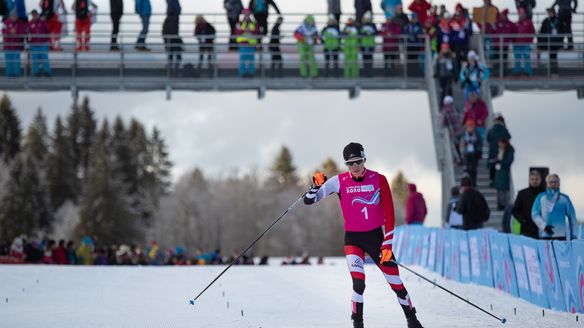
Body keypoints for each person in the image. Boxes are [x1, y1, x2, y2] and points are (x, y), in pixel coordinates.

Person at [303, 142, 424, 328]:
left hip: (376, 239)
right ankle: (357, 323)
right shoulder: (338, 181)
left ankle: (412, 320)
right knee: (358, 284)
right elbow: (309, 201)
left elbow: (390, 216)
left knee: (395, 282)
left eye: (358, 162)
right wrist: (314, 187)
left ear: (364, 159)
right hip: (353, 239)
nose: (355, 167)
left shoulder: (379, 179)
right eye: (350, 164)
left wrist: (387, 246)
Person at [531, 174, 578, 240]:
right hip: (544, 235)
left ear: (559, 183)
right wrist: (544, 226)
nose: (553, 184)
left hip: (560, 236)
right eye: (551, 182)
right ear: (547, 184)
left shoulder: (565, 198)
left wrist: (574, 235)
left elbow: (572, 217)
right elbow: (534, 214)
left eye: (555, 182)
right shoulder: (541, 197)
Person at [512, 170, 546, 239]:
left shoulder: (545, 194)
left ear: (540, 180)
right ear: (529, 180)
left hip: (542, 230)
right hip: (526, 230)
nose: (534, 181)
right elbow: (515, 210)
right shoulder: (522, 193)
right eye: (532, 179)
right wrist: (523, 220)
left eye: (536, 179)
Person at [486, 114, 511, 184]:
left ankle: (492, 179)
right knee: (500, 166)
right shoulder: (504, 130)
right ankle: (498, 180)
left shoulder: (491, 130)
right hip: (501, 152)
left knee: (492, 166)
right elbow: (509, 137)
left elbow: (488, 139)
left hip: (492, 152)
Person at [537, 7, 563, 75]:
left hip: (555, 43)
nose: (549, 13)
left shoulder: (558, 21)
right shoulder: (545, 21)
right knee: (549, 57)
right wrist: (539, 44)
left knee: (554, 58)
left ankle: (554, 72)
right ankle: (550, 73)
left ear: (554, 12)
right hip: (547, 43)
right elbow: (541, 32)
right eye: (548, 12)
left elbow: (561, 33)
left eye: (550, 12)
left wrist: (560, 43)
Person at [235, 8, 260, 78]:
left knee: (251, 60)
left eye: (248, 14)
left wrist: (247, 31)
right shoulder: (239, 23)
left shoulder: (254, 23)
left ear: (250, 15)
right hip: (243, 44)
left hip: (251, 44)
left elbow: (257, 32)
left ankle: (251, 74)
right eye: (245, 14)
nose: (246, 15)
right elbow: (237, 32)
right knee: (242, 60)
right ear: (243, 15)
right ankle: (242, 74)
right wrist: (245, 30)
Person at [27, 10, 51, 77]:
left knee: (44, 57)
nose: (34, 16)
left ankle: (47, 72)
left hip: (43, 43)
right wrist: (28, 42)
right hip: (34, 44)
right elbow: (26, 33)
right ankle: (36, 72)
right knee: (35, 58)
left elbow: (48, 31)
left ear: (37, 15)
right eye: (33, 15)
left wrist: (48, 41)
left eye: (35, 14)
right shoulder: (29, 24)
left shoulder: (43, 23)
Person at [440, 95, 463, 164]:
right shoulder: (456, 109)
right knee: (458, 146)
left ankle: (458, 159)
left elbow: (442, 123)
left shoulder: (444, 112)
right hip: (459, 130)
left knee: (454, 147)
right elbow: (461, 118)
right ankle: (460, 158)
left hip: (452, 132)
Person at [162, 0, 183, 77]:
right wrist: (181, 42)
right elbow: (174, 33)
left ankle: (171, 73)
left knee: (171, 57)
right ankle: (173, 73)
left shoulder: (169, 21)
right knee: (177, 57)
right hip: (173, 42)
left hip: (170, 41)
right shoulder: (173, 20)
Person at [512, 7, 535, 76]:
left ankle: (528, 72)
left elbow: (532, 32)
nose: (521, 14)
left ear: (525, 14)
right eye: (519, 12)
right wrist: (514, 41)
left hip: (526, 44)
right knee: (517, 58)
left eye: (522, 12)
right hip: (517, 44)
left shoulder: (529, 22)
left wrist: (529, 41)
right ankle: (517, 72)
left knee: (527, 57)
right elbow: (513, 33)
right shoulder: (516, 23)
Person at [492, 9, 516, 74]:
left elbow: (514, 32)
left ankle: (503, 72)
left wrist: (513, 40)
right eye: (501, 15)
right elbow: (492, 31)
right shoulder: (496, 23)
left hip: (505, 45)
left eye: (503, 15)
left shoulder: (510, 24)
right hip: (497, 45)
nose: (502, 16)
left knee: (504, 60)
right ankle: (496, 72)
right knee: (497, 59)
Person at [2, 11, 25, 77]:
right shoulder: (6, 23)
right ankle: (9, 74)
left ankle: (16, 74)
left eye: (15, 16)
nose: (14, 17)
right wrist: (10, 31)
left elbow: (22, 32)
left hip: (16, 46)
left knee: (16, 62)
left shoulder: (20, 23)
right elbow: (3, 31)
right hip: (8, 46)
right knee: (8, 62)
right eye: (13, 16)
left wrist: (16, 32)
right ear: (10, 16)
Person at [493, 139, 514, 210]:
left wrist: (501, 161)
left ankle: (504, 204)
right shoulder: (499, 150)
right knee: (499, 189)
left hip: (504, 171)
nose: (500, 145)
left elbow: (509, 160)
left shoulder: (509, 150)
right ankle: (500, 204)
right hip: (499, 171)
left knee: (504, 189)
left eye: (501, 143)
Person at [460, 120, 482, 187]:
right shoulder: (464, 134)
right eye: (469, 126)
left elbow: (479, 144)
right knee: (466, 170)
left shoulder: (477, 135)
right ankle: (467, 184)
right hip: (466, 154)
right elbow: (461, 143)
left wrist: (478, 150)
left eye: (471, 126)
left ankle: (474, 184)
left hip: (474, 154)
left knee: (474, 170)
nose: (470, 128)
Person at [359, 11, 377, 76]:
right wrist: (365, 33)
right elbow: (359, 34)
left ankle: (370, 73)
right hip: (363, 44)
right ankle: (365, 73)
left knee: (370, 59)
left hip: (371, 44)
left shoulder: (373, 25)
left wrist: (370, 33)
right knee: (364, 59)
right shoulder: (361, 25)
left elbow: (376, 33)